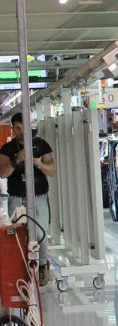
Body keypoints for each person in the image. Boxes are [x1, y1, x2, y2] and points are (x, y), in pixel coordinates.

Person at [0, 113, 57, 281]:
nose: (21, 131)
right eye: (17, 128)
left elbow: (52, 170)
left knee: (40, 233)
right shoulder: (7, 149)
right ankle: (22, 267)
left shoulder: (41, 146)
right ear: (13, 129)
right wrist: (18, 159)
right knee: (18, 234)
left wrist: (38, 163)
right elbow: (2, 172)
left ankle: (41, 265)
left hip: (39, 196)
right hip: (17, 198)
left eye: (23, 127)